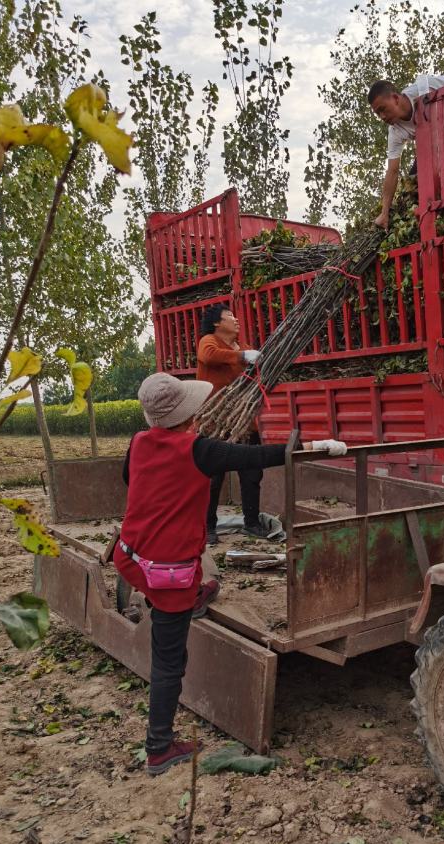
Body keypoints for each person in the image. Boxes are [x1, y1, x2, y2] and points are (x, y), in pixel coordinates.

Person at [114, 371, 346, 775]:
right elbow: (253, 458)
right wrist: (317, 446)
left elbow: (129, 479)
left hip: (132, 556)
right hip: (166, 573)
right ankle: (159, 748)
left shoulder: (138, 444)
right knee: (170, 662)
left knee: (186, 585)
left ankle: (193, 597)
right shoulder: (198, 450)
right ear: (190, 415)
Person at [368, 74, 444, 228]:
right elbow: (393, 171)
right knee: (412, 182)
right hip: (440, 135)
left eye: (383, 109)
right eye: (377, 114)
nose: (382, 116)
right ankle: (420, 222)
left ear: (395, 98)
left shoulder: (423, 87)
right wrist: (384, 212)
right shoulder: (395, 131)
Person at [196, 305, 267, 543]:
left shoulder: (244, 347)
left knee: (252, 473)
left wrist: (251, 357)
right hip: (216, 422)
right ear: (217, 323)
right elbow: (208, 356)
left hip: (244, 421)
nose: (236, 320)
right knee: (213, 477)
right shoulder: (209, 341)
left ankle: (252, 523)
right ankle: (207, 528)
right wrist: (241, 357)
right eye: (230, 317)